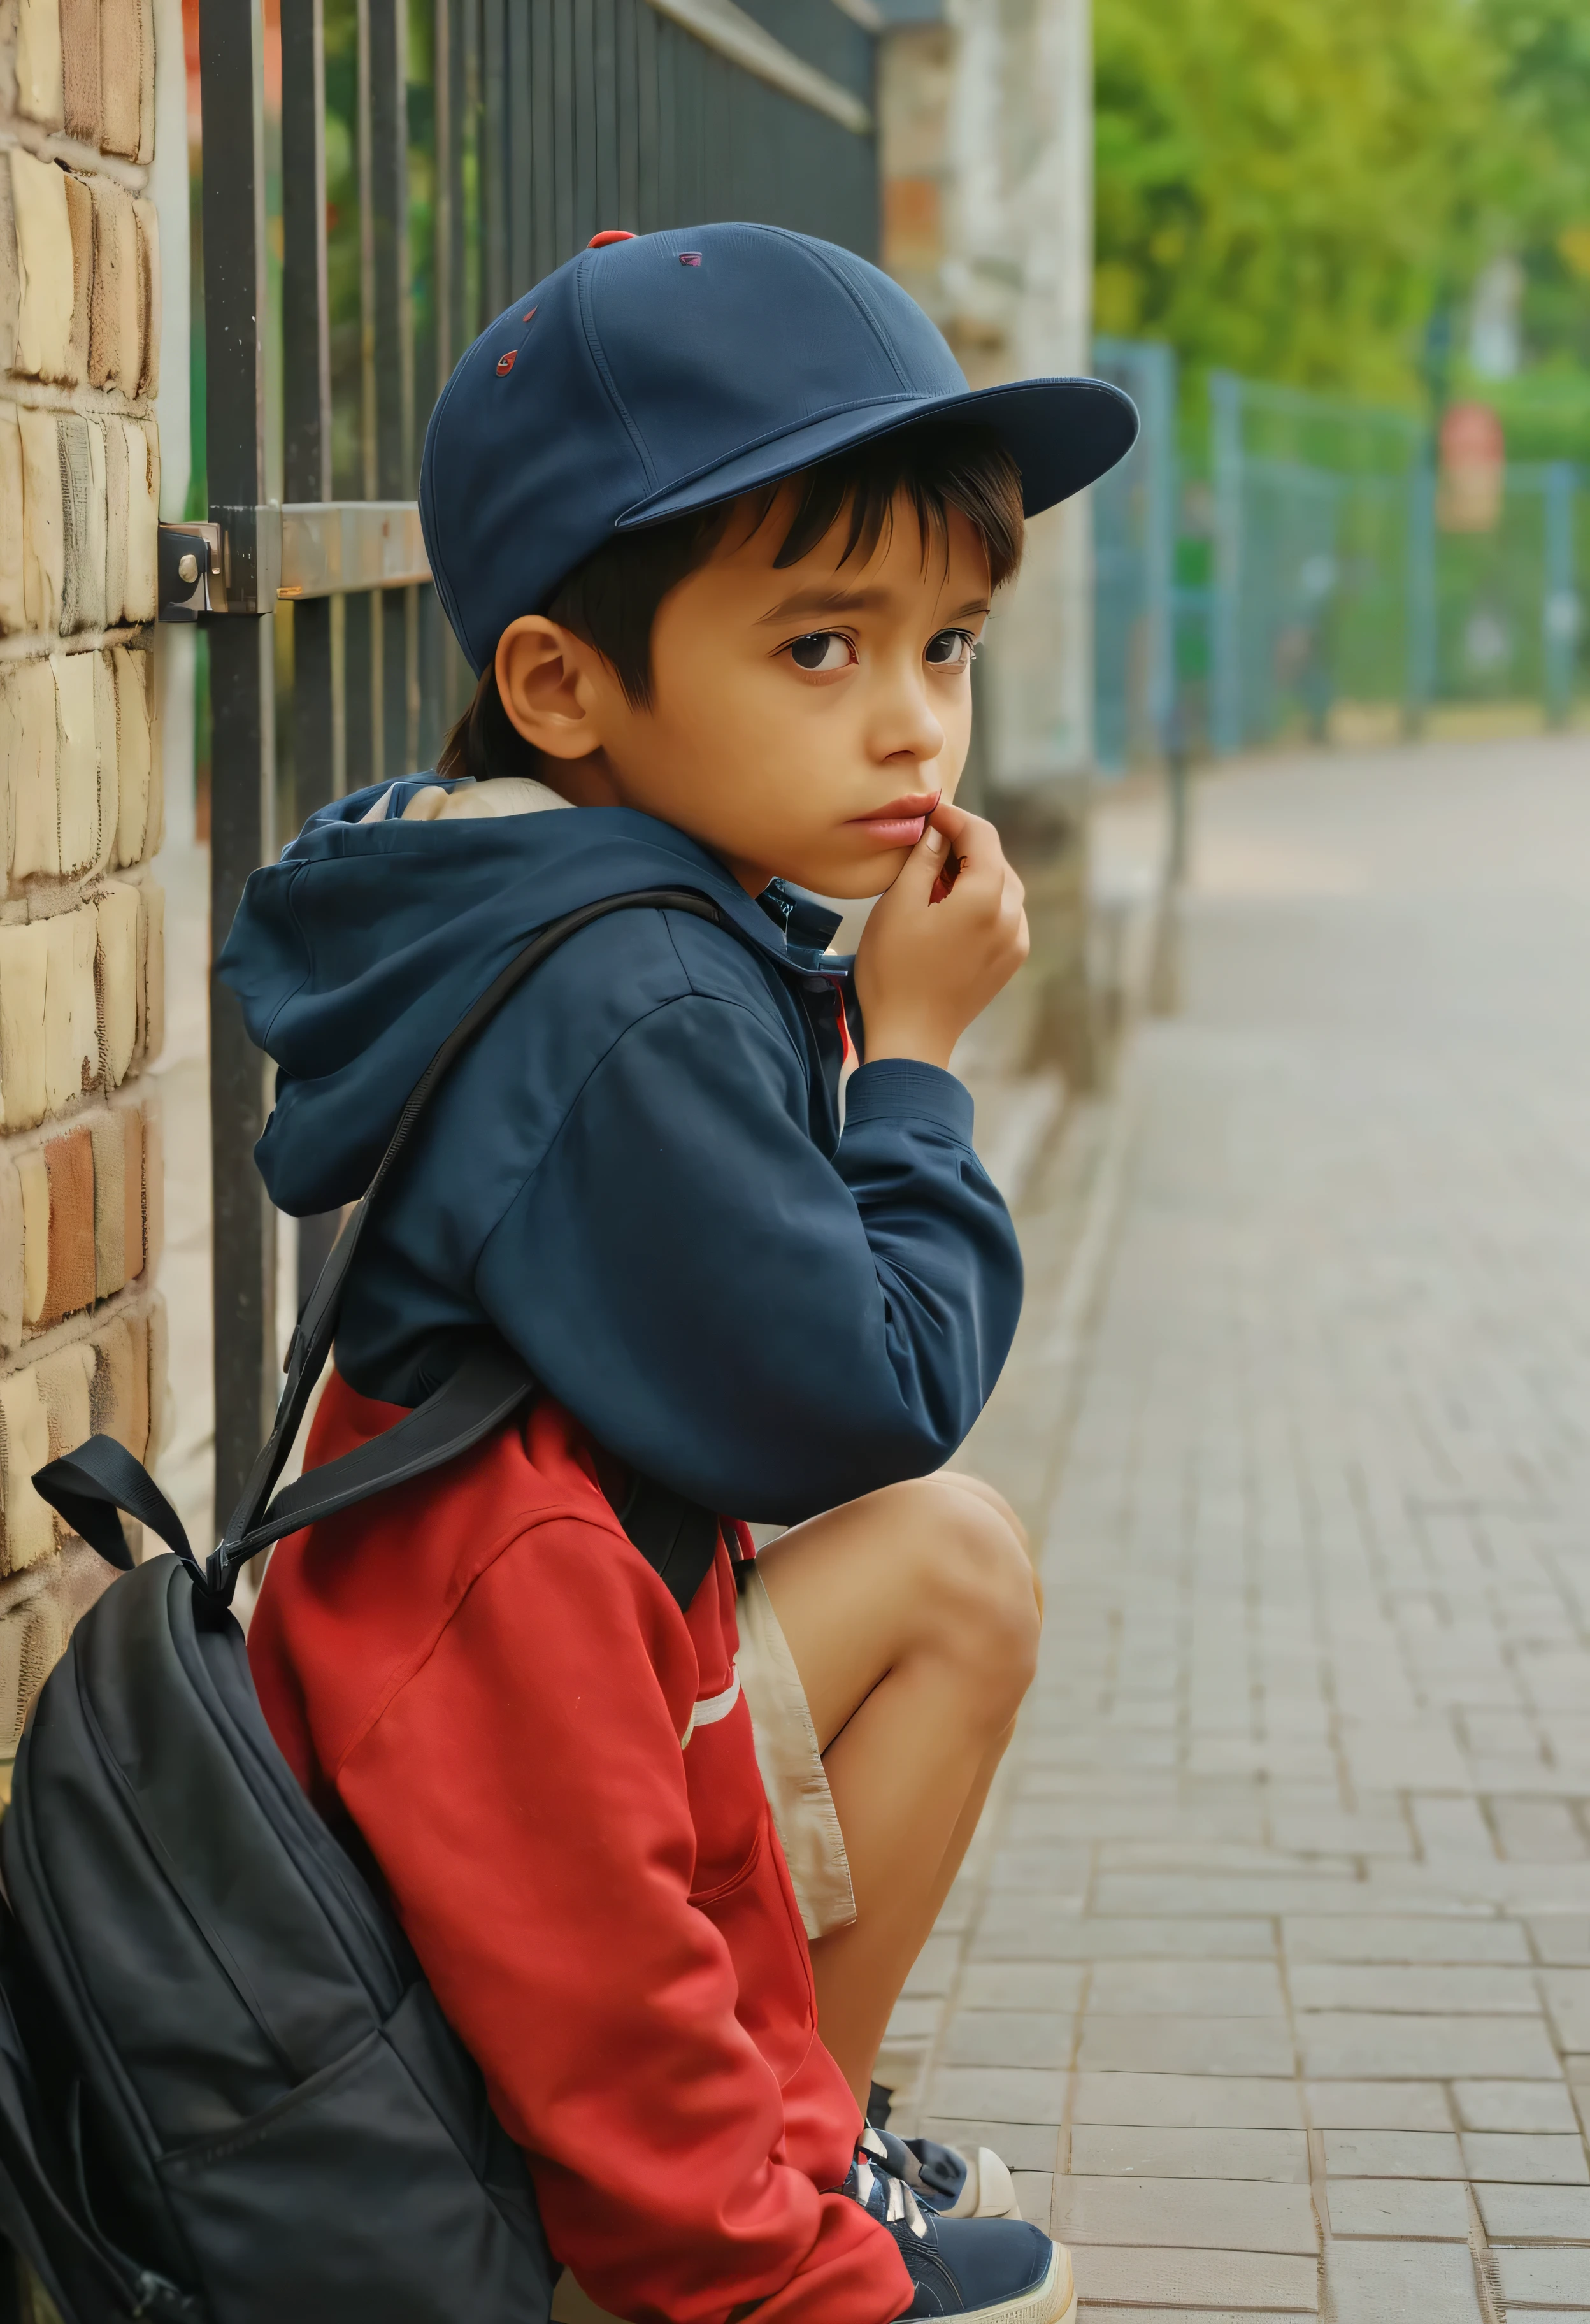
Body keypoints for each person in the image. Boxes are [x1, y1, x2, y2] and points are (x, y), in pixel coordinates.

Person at [220, 223, 1135, 2324]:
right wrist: (912, 1064)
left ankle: (795, 2153)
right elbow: (856, 1391)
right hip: (490, 1785)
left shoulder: (589, 891)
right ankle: (718, 2248)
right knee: (947, 1547)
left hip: (547, 1708)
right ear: (568, 683)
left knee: (955, 1570)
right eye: (821, 648)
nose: (914, 728)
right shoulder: (630, 990)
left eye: (949, 646)